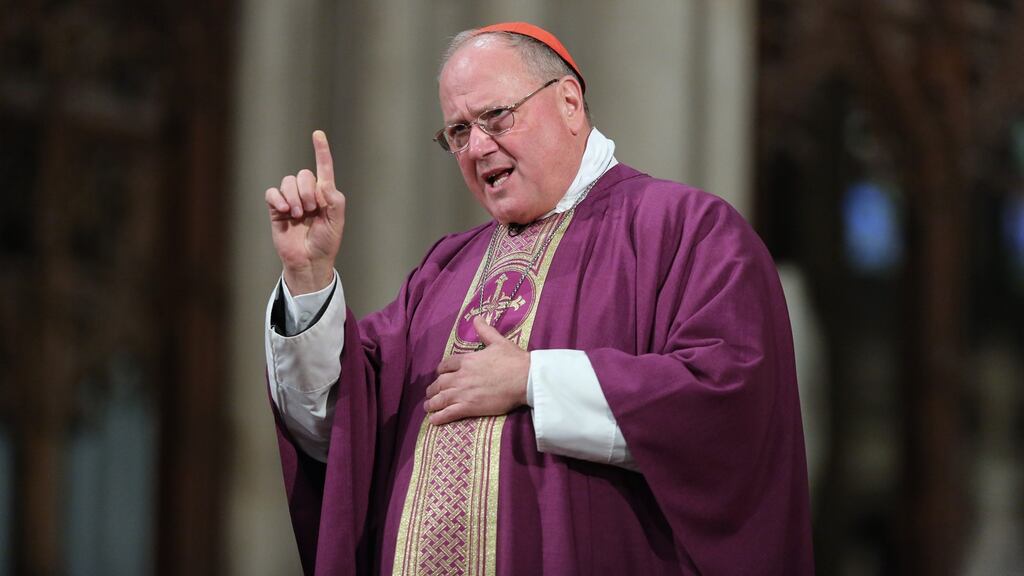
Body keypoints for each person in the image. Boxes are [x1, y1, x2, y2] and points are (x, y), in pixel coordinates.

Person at [263, 22, 813, 576]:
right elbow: (341, 429)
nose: (478, 147)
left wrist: (532, 379)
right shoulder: (442, 271)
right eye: (457, 131)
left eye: (496, 117)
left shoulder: (685, 230)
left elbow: (731, 406)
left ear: (569, 102)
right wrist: (309, 279)